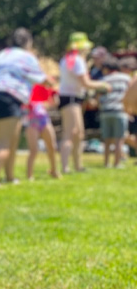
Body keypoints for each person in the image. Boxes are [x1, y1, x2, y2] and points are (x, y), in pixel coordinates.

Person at [0, 28, 47, 187]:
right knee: (4, 141)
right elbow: (40, 78)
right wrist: (52, 82)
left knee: (13, 138)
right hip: (9, 95)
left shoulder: (2, 54)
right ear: (28, 42)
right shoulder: (27, 57)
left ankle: (10, 177)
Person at [57, 32, 108, 173]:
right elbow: (86, 83)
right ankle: (65, 167)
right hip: (72, 98)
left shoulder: (67, 59)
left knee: (79, 134)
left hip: (71, 98)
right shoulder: (78, 61)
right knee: (70, 133)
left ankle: (78, 166)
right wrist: (103, 85)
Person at [95, 56, 131, 168]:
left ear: (106, 68)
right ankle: (117, 163)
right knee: (119, 139)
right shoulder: (126, 78)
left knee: (107, 139)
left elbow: (98, 97)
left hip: (106, 111)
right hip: (120, 111)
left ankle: (106, 163)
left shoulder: (103, 80)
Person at [23, 82, 60, 180]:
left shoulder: (43, 87)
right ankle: (29, 175)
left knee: (52, 146)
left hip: (44, 119)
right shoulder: (26, 87)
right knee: (34, 150)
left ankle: (54, 170)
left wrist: (53, 95)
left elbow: (55, 103)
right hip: (31, 121)